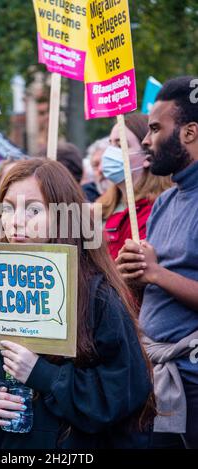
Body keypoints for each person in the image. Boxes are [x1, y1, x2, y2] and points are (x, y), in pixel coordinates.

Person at [0, 123, 155, 448]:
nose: (16, 221)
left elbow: (124, 390)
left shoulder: (97, 296)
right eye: (7, 208)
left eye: (33, 209)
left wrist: (43, 375)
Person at [116, 76, 198, 449]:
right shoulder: (166, 201)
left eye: (154, 128)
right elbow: (153, 282)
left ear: (189, 132)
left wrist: (155, 272)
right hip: (155, 369)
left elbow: (162, 276)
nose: (147, 140)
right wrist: (133, 274)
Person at [96, 113, 172, 260]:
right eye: (110, 144)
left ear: (147, 156)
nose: (110, 152)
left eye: (121, 145)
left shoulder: (156, 210)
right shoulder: (102, 206)